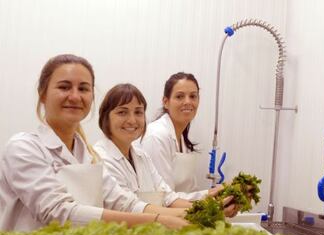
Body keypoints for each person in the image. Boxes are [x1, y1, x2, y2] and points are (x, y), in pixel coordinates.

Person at [0, 54, 188, 231]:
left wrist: (185, 214)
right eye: (64, 87)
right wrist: (157, 220)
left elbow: (122, 201)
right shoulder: (23, 147)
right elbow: (58, 212)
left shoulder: (88, 156)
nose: (74, 96)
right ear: (43, 94)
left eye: (83, 88)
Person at [94, 83, 238, 217]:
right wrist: (208, 211)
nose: (132, 120)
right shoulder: (100, 159)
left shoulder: (141, 157)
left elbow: (168, 197)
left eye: (138, 112)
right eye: (122, 112)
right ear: (105, 117)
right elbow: (130, 207)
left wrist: (213, 199)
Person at [140, 72, 206, 198]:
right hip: (158, 213)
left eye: (193, 96)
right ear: (166, 102)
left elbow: (190, 189)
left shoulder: (181, 137)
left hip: (180, 210)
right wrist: (210, 195)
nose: (188, 102)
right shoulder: (156, 136)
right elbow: (164, 197)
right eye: (180, 97)